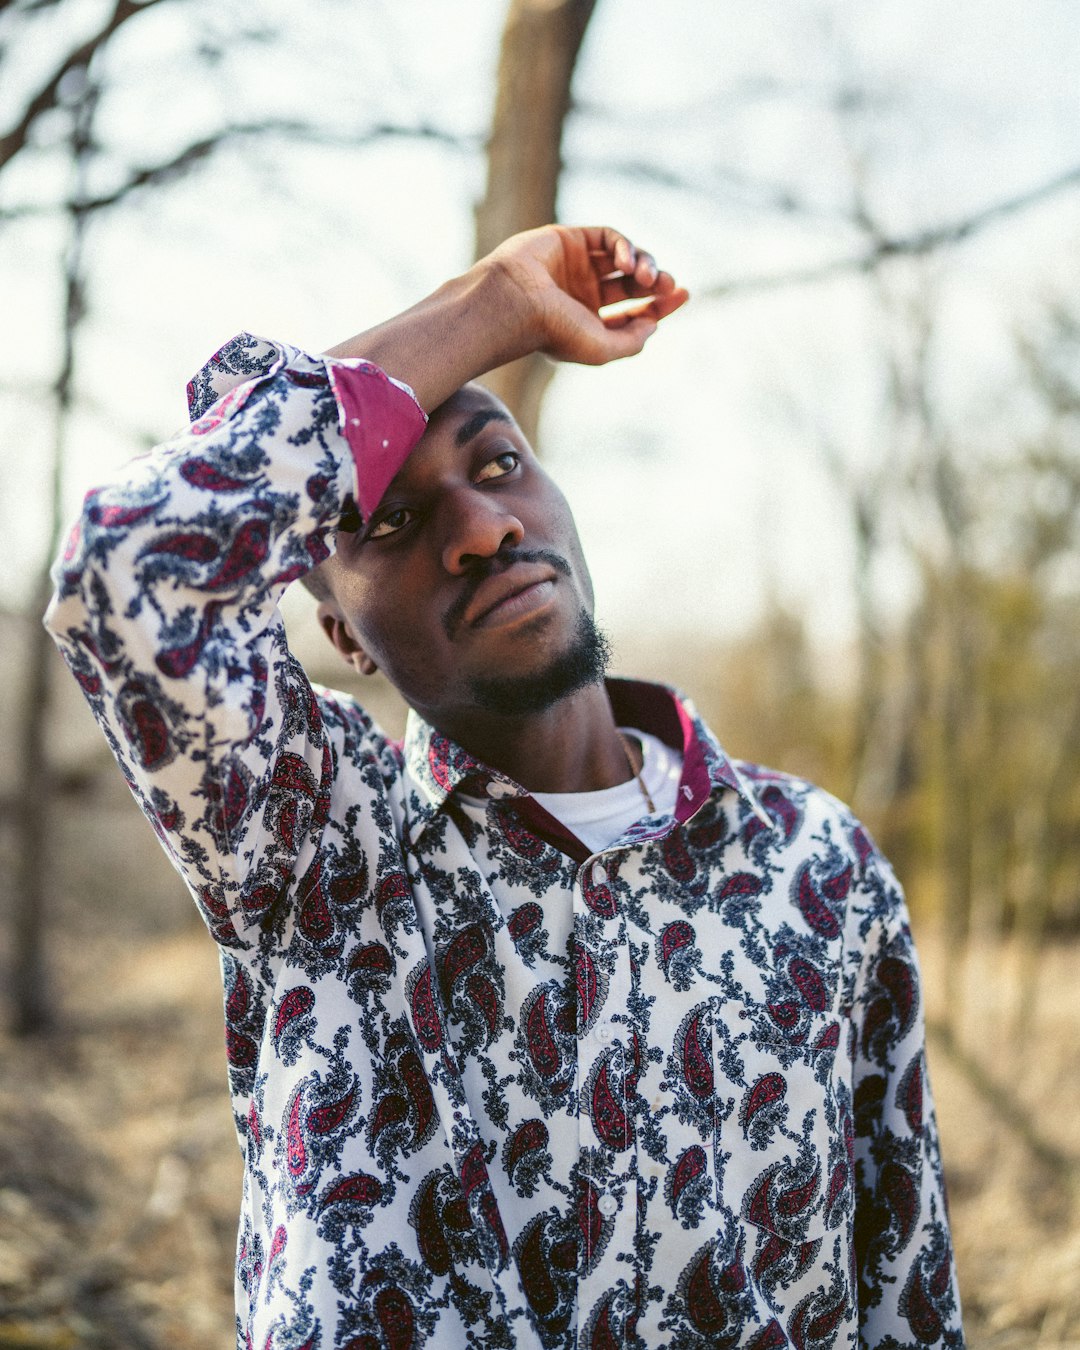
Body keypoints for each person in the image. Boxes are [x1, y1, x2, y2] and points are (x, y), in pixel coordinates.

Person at [46, 225, 963, 1349]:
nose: (483, 528)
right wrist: (494, 303)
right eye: (392, 520)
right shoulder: (315, 842)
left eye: (498, 467)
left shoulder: (817, 864)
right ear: (343, 633)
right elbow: (129, 569)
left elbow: (902, 1286)